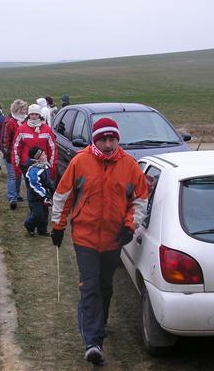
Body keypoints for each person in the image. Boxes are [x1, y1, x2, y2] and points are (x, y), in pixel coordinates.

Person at [50, 117, 148, 365]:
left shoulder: (129, 165)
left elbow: (139, 200)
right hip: (85, 239)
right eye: (103, 139)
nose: (108, 144)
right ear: (95, 140)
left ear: (117, 139)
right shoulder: (80, 162)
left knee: (105, 286)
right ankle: (93, 343)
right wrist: (58, 226)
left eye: (112, 139)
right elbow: (63, 195)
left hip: (114, 239)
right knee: (90, 287)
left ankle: (100, 323)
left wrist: (130, 226)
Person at [12, 103, 58, 180]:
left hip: (43, 164)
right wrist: (16, 166)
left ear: (39, 115)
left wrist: (52, 167)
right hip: (27, 164)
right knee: (31, 185)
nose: (34, 116)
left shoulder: (47, 129)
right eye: (32, 114)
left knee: (44, 185)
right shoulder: (21, 129)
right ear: (28, 115)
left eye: (36, 114)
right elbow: (16, 148)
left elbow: (52, 149)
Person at [0, 99, 28, 210]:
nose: (25, 111)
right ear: (17, 109)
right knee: (13, 175)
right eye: (23, 109)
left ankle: (16, 194)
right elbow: (4, 139)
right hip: (11, 153)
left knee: (18, 174)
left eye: (26, 109)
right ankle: (12, 198)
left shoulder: (25, 121)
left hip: (22, 153)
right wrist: (7, 153)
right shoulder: (10, 122)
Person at [23, 146, 55, 236]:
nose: (45, 155)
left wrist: (52, 189)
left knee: (45, 214)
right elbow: (34, 185)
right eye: (43, 155)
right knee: (37, 214)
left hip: (44, 194)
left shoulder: (44, 166)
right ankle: (29, 225)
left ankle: (42, 230)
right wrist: (44, 196)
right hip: (35, 197)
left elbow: (47, 181)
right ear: (37, 158)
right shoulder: (33, 170)